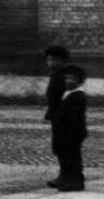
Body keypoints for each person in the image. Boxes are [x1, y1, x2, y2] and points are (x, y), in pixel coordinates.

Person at [50, 64, 88, 192]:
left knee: (73, 158)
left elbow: (74, 118)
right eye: (66, 78)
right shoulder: (69, 94)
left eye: (71, 78)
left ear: (79, 81)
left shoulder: (78, 96)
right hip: (65, 132)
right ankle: (66, 179)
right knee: (65, 157)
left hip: (72, 133)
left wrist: (69, 133)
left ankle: (76, 182)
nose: (67, 81)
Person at [45, 46, 73, 183]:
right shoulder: (57, 75)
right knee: (59, 147)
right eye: (49, 59)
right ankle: (65, 176)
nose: (50, 63)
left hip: (65, 119)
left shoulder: (66, 77)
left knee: (65, 148)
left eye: (54, 59)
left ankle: (68, 178)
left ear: (63, 60)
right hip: (58, 118)